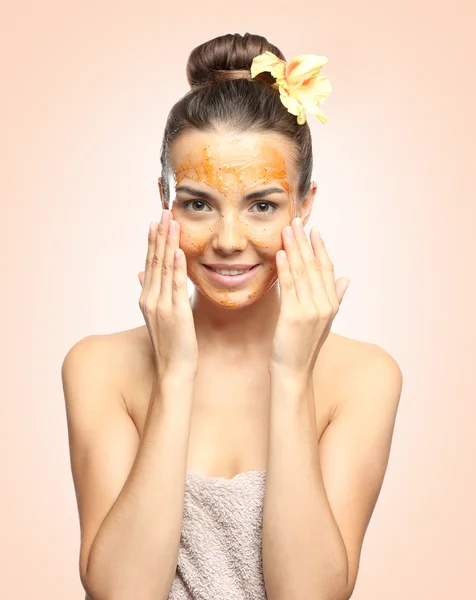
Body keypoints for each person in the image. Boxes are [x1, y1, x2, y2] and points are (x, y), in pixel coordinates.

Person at [62, 32, 403, 600]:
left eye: (262, 205)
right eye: (198, 204)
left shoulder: (364, 379)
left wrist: (292, 377)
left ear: (306, 205)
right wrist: (173, 375)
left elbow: (310, 596)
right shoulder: (99, 368)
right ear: (165, 202)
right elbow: (121, 593)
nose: (227, 240)